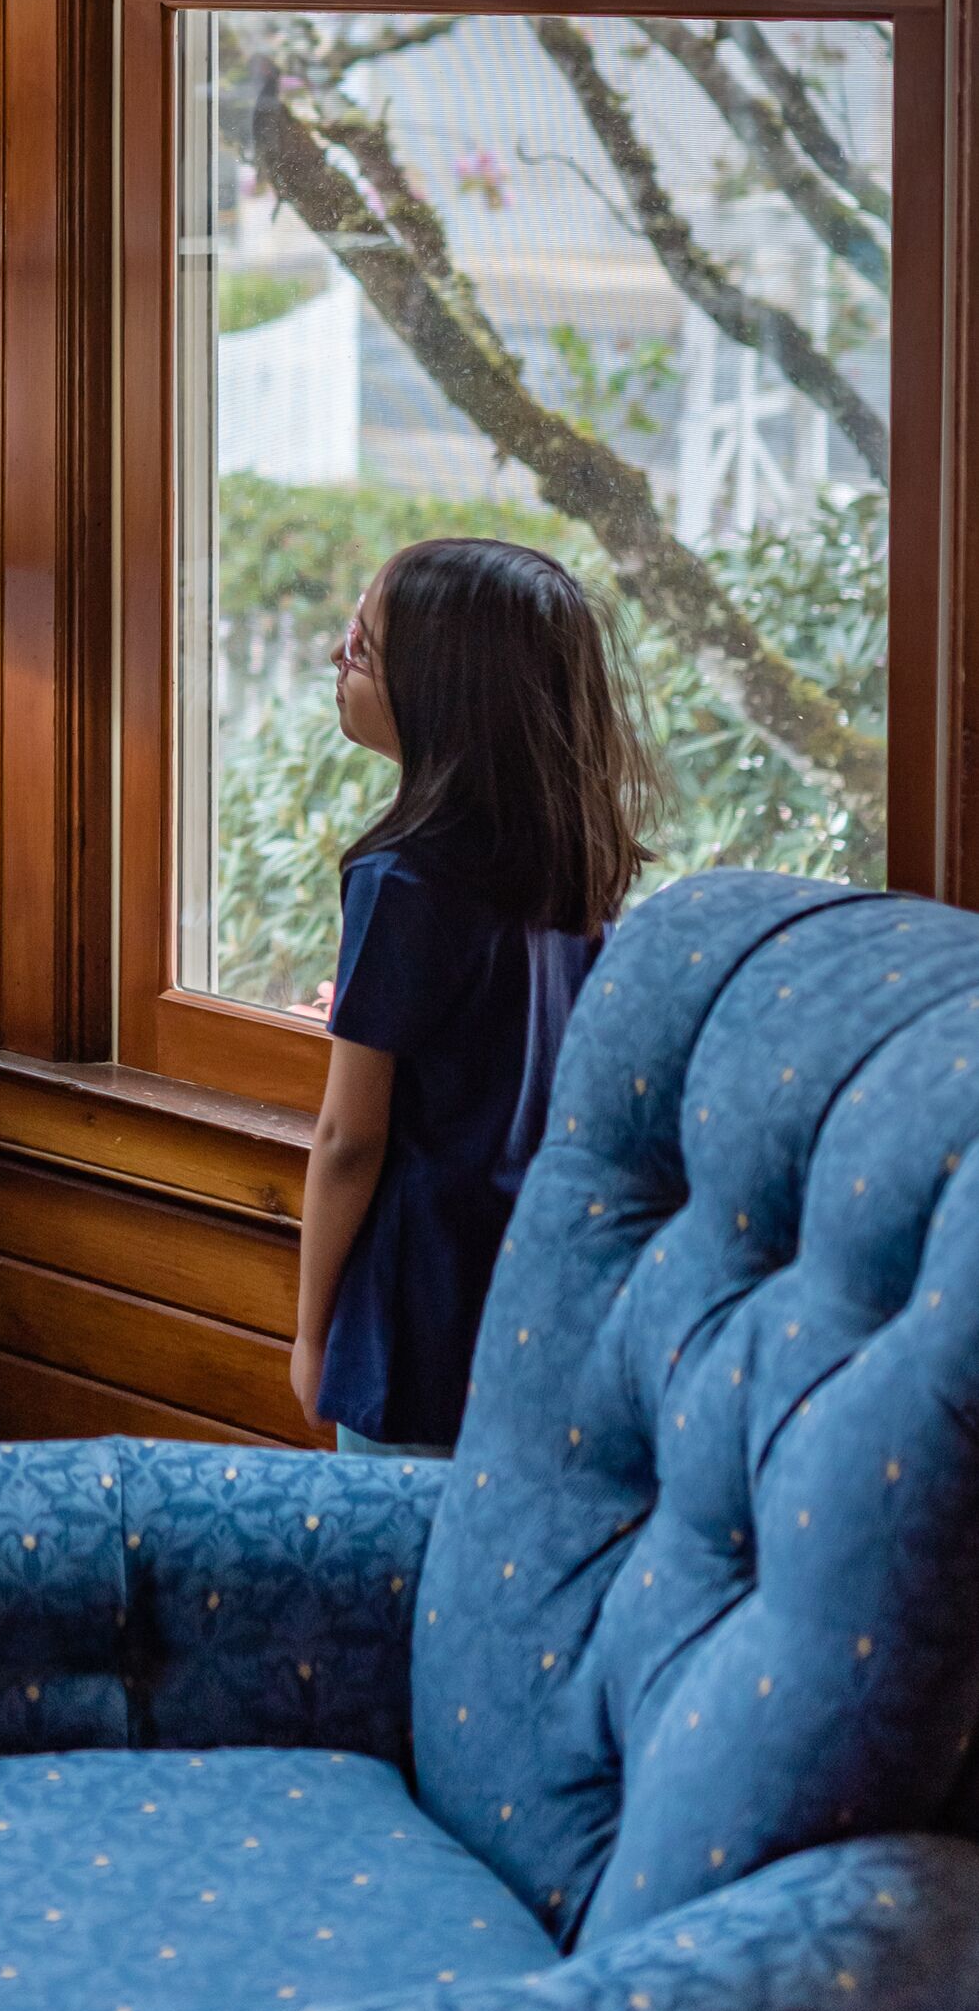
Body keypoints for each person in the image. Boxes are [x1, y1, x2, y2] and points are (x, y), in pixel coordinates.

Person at [288, 537, 657, 1458]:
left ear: (440, 690)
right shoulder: (572, 853)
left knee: (397, 1537)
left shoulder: (399, 877)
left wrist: (310, 1334)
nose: (336, 657)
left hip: (416, 1317)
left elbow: (347, 1140)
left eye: (361, 646)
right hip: (543, 1288)